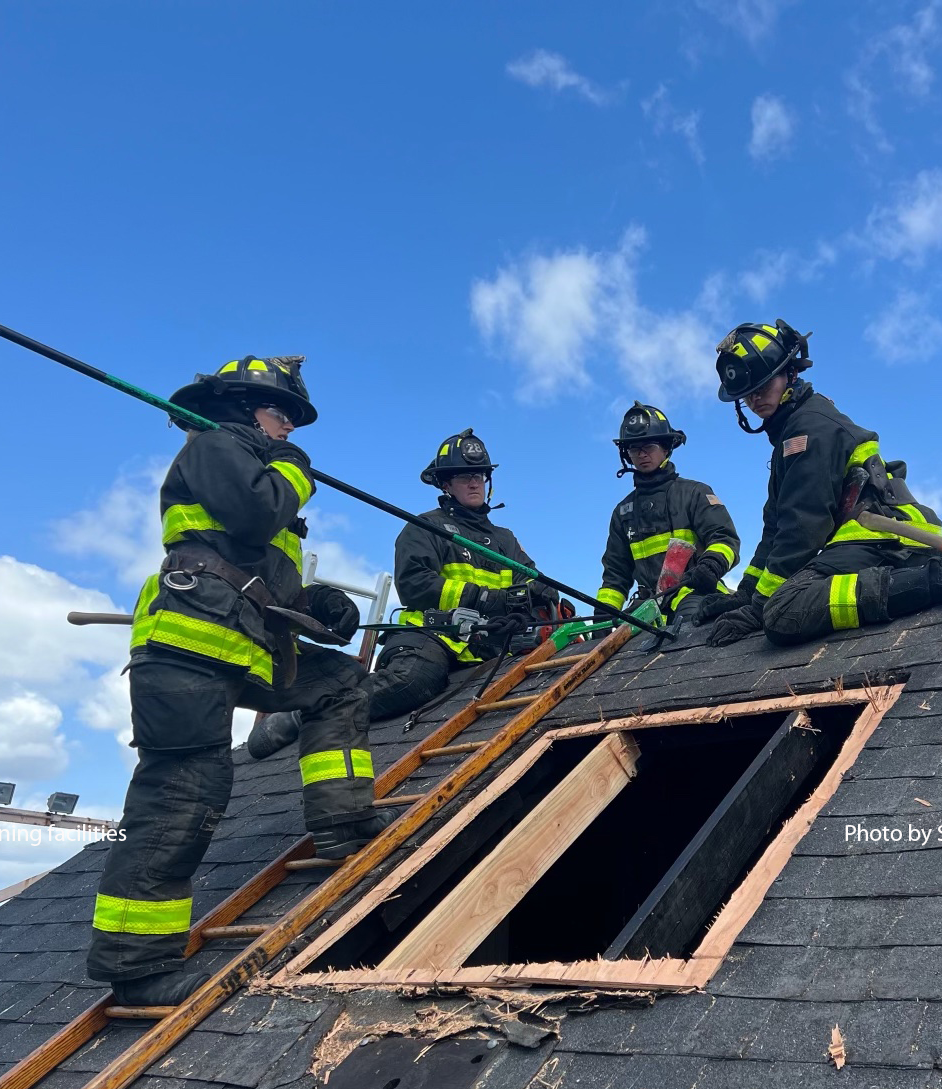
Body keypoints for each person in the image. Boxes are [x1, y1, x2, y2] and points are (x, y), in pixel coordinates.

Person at [89, 356, 393, 1006]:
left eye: (291, 421)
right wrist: (295, 469)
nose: (287, 428)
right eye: (280, 414)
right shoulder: (216, 444)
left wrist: (322, 607)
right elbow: (257, 516)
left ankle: (341, 821)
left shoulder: (247, 465)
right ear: (241, 404)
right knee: (183, 795)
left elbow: (256, 576)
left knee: (338, 681)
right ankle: (137, 966)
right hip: (187, 653)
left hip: (241, 651)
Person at [699, 321, 942, 648]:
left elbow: (802, 530)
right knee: (772, 599)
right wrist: (747, 593)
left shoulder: (807, 430)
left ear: (789, 374)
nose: (753, 400)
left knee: (782, 611)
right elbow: (775, 529)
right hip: (873, 539)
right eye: (746, 394)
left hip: (886, 536)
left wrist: (758, 608)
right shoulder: (791, 434)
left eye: (762, 387)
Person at [368, 429, 556, 721]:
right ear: (446, 484)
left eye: (478, 476)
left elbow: (533, 581)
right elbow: (414, 585)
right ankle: (318, 712)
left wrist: (542, 593)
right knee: (413, 681)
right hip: (433, 637)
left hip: (489, 646)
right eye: (464, 477)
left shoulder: (504, 539)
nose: (473, 483)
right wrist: (485, 598)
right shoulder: (425, 527)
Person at [596, 401, 741, 620]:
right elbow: (616, 574)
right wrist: (603, 615)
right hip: (647, 608)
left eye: (649, 446)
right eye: (635, 448)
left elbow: (725, 539)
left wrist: (711, 565)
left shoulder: (694, 493)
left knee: (691, 634)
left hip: (696, 594)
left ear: (666, 448)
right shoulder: (623, 513)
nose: (642, 454)